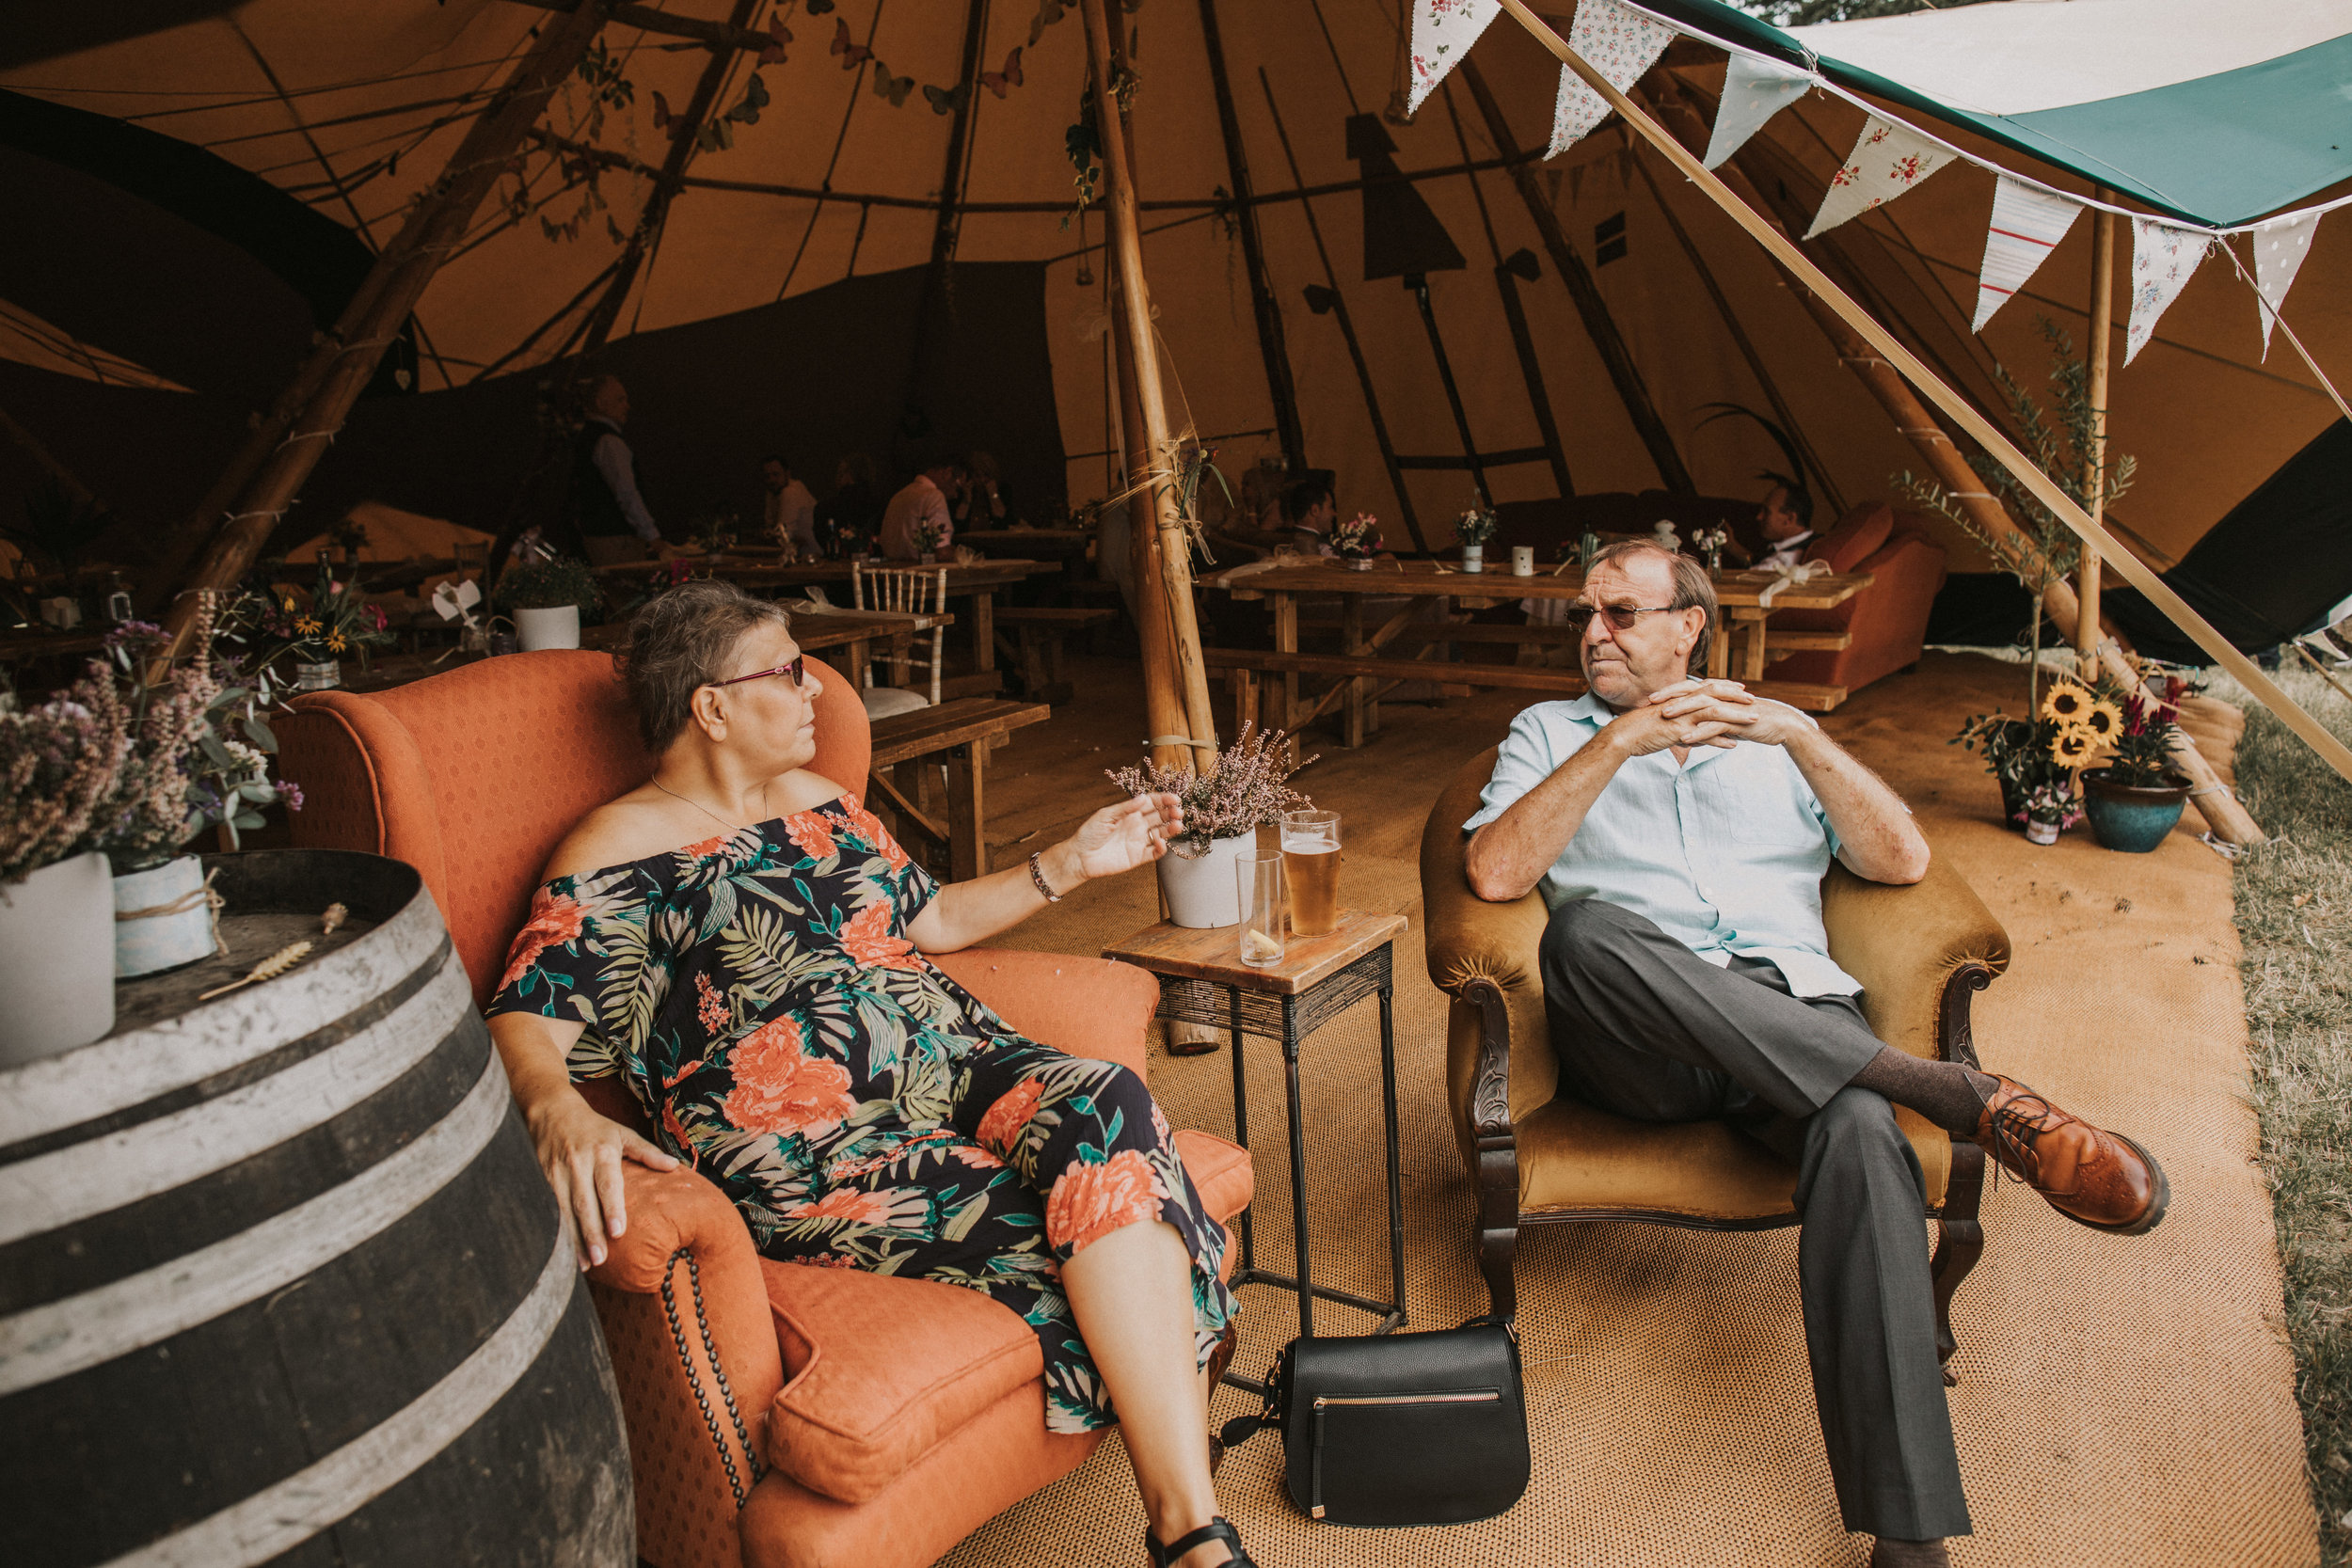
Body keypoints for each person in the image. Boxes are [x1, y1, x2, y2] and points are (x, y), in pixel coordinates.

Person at [487, 579, 1259, 1568]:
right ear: (711, 705)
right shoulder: (613, 854)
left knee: (1105, 1099)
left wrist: (1068, 860)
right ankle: (1194, 1536)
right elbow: (523, 1013)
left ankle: (1183, 1525)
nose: (818, 689)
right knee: (1100, 1214)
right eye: (789, 670)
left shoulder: (819, 803)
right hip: (819, 1146)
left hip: (961, 1061)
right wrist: (553, 1106)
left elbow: (924, 919)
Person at [1461, 540, 2167, 1568]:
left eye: (1619, 611)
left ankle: (1909, 1534)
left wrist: (1798, 733)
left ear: (1688, 624)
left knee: (1861, 1127)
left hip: (1794, 1028)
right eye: (1587, 613)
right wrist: (1616, 746)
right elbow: (1491, 870)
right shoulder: (1550, 733)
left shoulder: (1772, 741)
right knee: (1588, 933)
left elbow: (1901, 859)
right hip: (1643, 1042)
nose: (1593, 632)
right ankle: (1957, 1093)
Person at [570, 374, 671, 566]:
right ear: (601, 403)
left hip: (599, 536)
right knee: (625, 591)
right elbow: (626, 492)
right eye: (620, 399)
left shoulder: (588, 437)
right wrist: (653, 536)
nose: (627, 406)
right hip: (616, 540)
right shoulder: (608, 441)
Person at [881, 453, 966, 561]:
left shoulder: (899, 495)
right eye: (957, 487)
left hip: (891, 571)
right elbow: (942, 552)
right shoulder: (933, 496)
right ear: (947, 473)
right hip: (921, 573)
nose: (955, 495)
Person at [815, 452, 885, 559]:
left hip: (837, 562)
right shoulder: (883, 505)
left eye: (839, 473)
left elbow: (823, 538)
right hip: (874, 564)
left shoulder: (826, 508)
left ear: (849, 475)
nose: (836, 479)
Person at [761, 454, 818, 561]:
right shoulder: (772, 493)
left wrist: (767, 536)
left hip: (809, 558)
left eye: (776, 474)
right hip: (795, 557)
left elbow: (782, 536)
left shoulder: (791, 492)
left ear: (787, 474)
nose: (772, 480)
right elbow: (769, 528)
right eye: (767, 476)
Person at [1754, 479, 1817, 570]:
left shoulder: (1783, 560)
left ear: (1789, 519)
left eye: (1767, 512)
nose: (1759, 517)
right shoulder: (1812, 541)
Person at [953, 450, 1009, 533]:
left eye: (986, 475)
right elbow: (958, 523)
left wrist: (993, 495)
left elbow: (1002, 518)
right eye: (978, 476)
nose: (982, 480)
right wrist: (966, 499)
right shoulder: (963, 491)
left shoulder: (1002, 489)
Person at [1279, 476, 1338, 556]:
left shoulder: (1280, 541)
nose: (1334, 513)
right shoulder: (1323, 549)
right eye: (1330, 507)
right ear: (1315, 510)